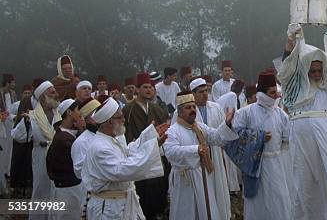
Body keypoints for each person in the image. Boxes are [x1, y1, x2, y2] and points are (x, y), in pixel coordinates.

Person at [277, 24, 327, 220]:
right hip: (304, 141)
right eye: (312, 70)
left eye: (319, 69)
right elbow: (286, 69)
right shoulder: (294, 88)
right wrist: (290, 43)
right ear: (305, 70)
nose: (316, 74)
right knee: (307, 185)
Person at [81, 98, 169, 219]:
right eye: (120, 117)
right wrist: (152, 147)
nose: (124, 120)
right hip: (109, 209)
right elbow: (124, 169)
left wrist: (152, 138)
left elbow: (128, 152)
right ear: (109, 122)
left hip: (120, 204)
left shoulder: (110, 140)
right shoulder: (100, 147)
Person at [164, 91, 238, 220]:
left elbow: (217, 137)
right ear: (180, 112)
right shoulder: (173, 131)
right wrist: (196, 150)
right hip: (185, 180)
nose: (193, 110)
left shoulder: (200, 127)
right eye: (188, 107)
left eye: (194, 107)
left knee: (206, 209)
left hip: (202, 175)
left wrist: (226, 124)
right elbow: (170, 152)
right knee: (188, 212)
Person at [233, 71, 291, 220]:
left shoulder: (281, 114)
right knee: (258, 202)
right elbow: (235, 137)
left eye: (276, 92)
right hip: (255, 165)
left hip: (277, 164)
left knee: (279, 200)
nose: (276, 96)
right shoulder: (245, 113)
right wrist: (258, 137)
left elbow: (288, 139)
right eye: (272, 93)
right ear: (262, 93)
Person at [181, 77, 232, 220]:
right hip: (195, 158)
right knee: (201, 193)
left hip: (214, 154)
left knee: (217, 188)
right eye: (201, 92)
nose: (205, 94)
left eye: (206, 91)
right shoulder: (184, 111)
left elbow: (220, 134)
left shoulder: (215, 107)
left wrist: (227, 125)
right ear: (193, 94)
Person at [123, 72, 170, 220]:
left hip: (157, 155)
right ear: (137, 89)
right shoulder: (128, 110)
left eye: (151, 87)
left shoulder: (157, 109)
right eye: (145, 87)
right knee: (143, 192)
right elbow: (127, 135)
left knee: (159, 189)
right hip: (138, 155)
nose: (149, 90)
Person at [11, 81, 61, 220]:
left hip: (57, 156)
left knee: (55, 189)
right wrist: (25, 123)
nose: (56, 95)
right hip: (40, 155)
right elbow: (17, 136)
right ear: (43, 96)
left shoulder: (60, 115)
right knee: (41, 189)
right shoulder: (32, 116)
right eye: (52, 92)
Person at [46, 99, 84, 220]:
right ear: (69, 112)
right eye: (77, 110)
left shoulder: (69, 134)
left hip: (72, 188)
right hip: (67, 190)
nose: (80, 113)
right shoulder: (63, 139)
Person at [9, 84, 34, 196]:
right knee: (17, 161)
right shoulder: (16, 105)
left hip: (30, 141)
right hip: (20, 140)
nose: (27, 95)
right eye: (25, 93)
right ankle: (16, 186)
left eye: (29, 93)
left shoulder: (33, 105)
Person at [0, 73, 17, 196]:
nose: (14, 84)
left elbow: (14, 107)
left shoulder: (13, 94)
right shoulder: (1, 93)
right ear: (8, 82)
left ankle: (8, 172)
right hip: (3, 122)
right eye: (12, 82)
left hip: (12, 121)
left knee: (9, 149)